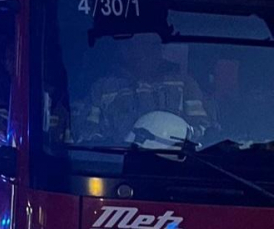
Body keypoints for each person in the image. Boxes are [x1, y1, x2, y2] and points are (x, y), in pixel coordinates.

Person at [78, 36, 211, 146]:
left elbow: (203, 131)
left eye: (155, 45)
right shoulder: (102, 89)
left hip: (176, 165)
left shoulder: (185, 84)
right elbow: (88, 136)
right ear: (125, 49)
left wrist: (183, 140)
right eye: (142, 45)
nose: (151, 51)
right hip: (119, 164)